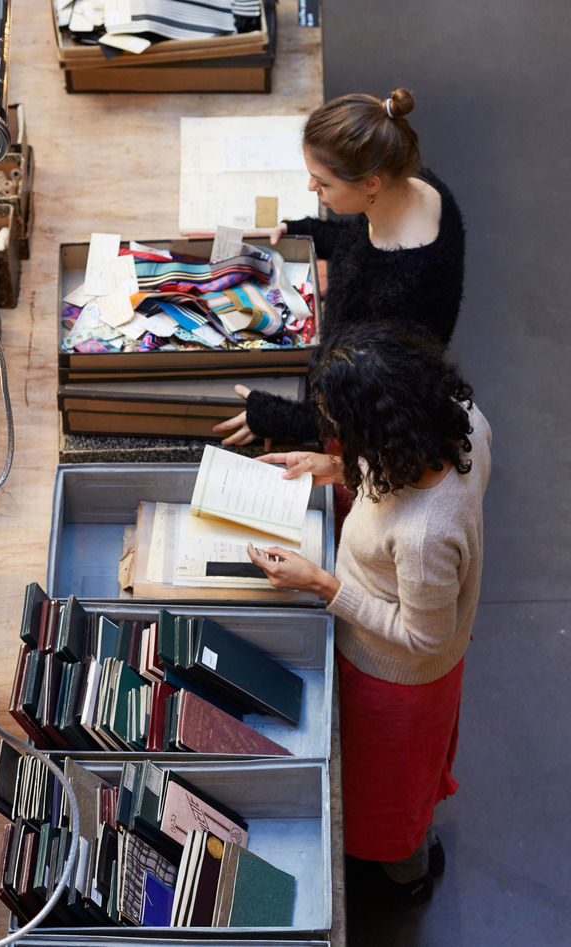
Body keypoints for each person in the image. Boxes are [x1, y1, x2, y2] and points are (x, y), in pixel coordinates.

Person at [247, 322, 492, 904]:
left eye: (344, 432)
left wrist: (324, 585)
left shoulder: (425, 533)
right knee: (388, 789)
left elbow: (422, 636)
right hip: (391, 667)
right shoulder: (463, 421)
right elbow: (392, 480)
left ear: (379, 428)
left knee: (390, 797)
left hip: (395, 681)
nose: (336, 438)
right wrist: (334, 469)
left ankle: (408, 878)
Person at [213, 87, 466, 448]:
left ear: (370, 184)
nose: (310, 186)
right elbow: (364, 238)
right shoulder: (416, 186)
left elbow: (375, 406)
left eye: (323, 182)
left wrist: (281, 418)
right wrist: (311, 231)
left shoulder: (401, 289)